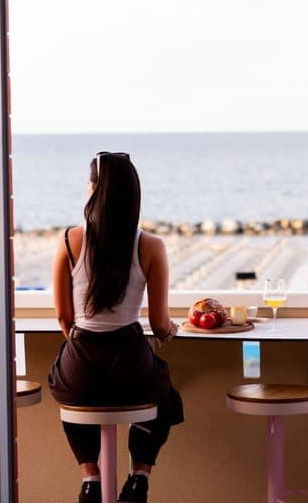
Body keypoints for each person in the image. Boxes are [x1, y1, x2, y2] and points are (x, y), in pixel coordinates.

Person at [48, 151, 183, 503]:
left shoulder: (69, 241)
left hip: (82, 362)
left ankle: (90, 477)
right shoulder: (151, 245)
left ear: (94, 190)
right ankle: (139, 475)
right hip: (131, 364)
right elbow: (158, 322)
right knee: (164, 395)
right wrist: (172, 331)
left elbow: (65, 319)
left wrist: (83, 345)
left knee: (72, 392)